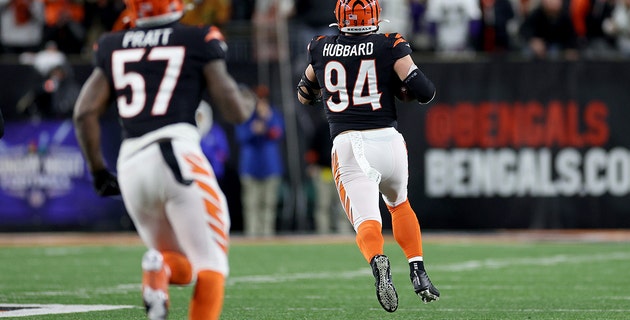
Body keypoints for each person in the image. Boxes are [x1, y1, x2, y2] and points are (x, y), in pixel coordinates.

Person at [72, 0, 253, 318]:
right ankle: (157, 270)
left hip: (131, 165)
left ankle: (157, 269)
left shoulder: (113, 44)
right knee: (212, 265)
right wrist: (247, 103)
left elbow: (84, 112)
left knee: (179, 264)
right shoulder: (198, 38)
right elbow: (234, 110)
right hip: (176, 156)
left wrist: (99, 171)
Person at [297, 0, 440, 313]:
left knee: (367, 222)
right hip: (389, 142)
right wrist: (399, 84)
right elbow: (425, 91)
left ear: (339, 19)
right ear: (375, 17)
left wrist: (329, 89)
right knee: (400, 204)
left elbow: (304, 93)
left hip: (349, 144)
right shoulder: (389, 44)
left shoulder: (320, 47)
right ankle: (418, 270)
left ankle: (379, 262)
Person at [235, 85, 285, 238]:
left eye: (264, 99)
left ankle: (267, 236)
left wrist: (267, 120)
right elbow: (240, 137)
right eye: (259, 99)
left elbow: (278, 133)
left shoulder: (273, 114)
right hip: (250, 167)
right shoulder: (245, 115)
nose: (261, 103)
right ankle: (252, 237)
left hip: (270, 167)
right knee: (252, 205)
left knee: (269, 205)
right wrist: (252, 130)